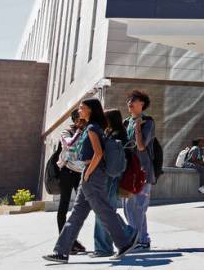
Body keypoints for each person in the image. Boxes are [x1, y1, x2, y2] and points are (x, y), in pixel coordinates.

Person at [43, 98, 138, 263]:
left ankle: (125, 242)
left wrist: (87, 174)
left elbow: (98, 153)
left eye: (82, 108)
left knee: (103, 211)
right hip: (89, 173)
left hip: (92, 174)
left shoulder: (93, 128)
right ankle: (61, 251)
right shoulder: (90, 127)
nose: (79, 110)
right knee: (78, 214)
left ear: (90, 110)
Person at [122, 89, 155, 251]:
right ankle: (136, 238)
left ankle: (142, 239)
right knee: (128, 207)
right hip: (127, 171)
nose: (130, 102)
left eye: (133, 99)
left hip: (142, 170)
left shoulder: (148, 122)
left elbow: (141, 146)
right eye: (129, 99)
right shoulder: (125, 122)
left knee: (139, 206)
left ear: (142, 103)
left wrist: (137, 128)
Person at [93, 109, 128, 257]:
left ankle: (104, 248)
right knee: (106, 211)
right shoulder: (119, 134)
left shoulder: (114, 136)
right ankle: (109, 245)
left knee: (103, 212)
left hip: (108, 178)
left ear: (110, 120)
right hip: (113, 178)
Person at [55, 110, 87, 255]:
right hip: (67, 172)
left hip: (81, 172)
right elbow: (69, 144)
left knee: (82, 205)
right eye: (80, 120)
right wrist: (79, 131)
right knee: (64, 205)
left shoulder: (88, 131)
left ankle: (72, 240)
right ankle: (65, 241)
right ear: (75, 120)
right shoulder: (66, 132)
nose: (82, 122)